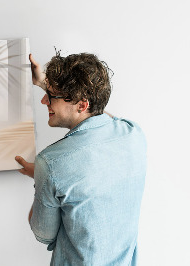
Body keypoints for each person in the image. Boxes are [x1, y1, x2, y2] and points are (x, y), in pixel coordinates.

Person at [15, 51, 147, 265]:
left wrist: (43, 177)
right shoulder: (133, 134)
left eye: (50, 96)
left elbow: (43, 235)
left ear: (82, 105)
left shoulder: (50, 163)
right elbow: (101, 114)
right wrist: (44, 84)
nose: (43, 100)